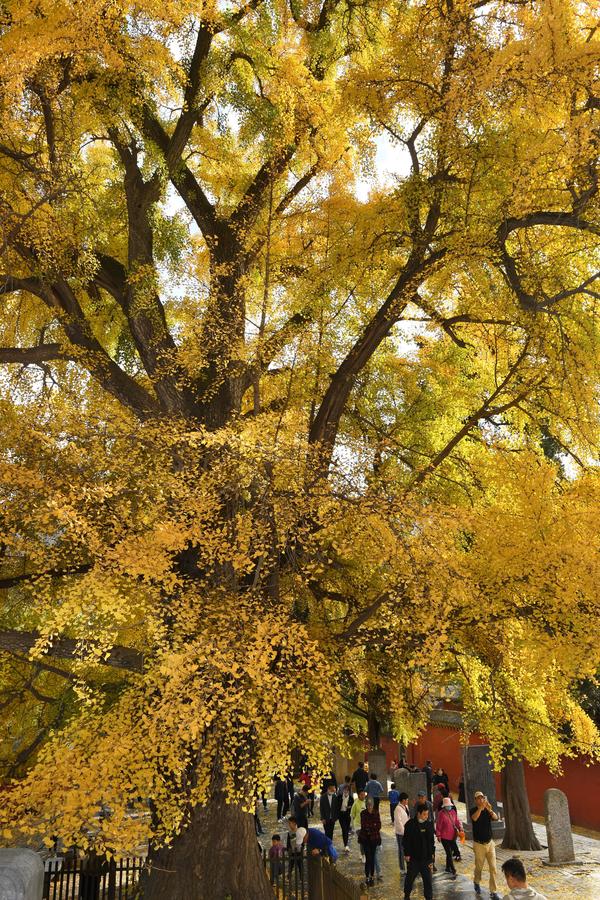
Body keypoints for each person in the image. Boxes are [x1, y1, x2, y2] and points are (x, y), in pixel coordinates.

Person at [471, 790, 501, 899]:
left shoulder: (487, 810)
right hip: (479, 844)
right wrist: (480, 808)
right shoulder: (474, 810)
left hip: (490, 843)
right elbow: (474, 818)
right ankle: (476, 881)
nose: (481, 799)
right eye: (478, 798)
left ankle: (493, 891)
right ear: (475, 800)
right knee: (479, 867)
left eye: (482, 797)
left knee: (493, 868)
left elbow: (496, 818)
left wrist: (489, 809)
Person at [402, 803, 435, 900]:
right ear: (418, 814)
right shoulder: (410, 824)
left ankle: (429, 897)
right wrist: (406, 853)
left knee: (428, 880)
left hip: (426, 859)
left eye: (427, 814)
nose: (426, 816)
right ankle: (407, 895)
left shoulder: (429, 824)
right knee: (410, 878)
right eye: (424, 814)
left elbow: (431, 841)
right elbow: (406, 841)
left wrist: (432, 853)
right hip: (414, 858)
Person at [435, 796, 462, 877]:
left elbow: (457, 821)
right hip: (444, 837)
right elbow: (438, 825)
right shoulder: (441, 814)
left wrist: (460, 828)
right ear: (444, 806)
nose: (448, 807)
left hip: (453, 836)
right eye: (447, 805)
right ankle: (453, 869)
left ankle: (447, 867)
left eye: (449, 805)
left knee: (449, 853)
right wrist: (438, 835)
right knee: (449, 853)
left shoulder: (453, 812)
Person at [359, 796, 381, 887]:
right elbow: (364, 825)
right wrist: (373, 826)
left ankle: (372, 875)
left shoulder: (376, 813)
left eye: (371, 805)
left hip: (374, 839)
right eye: (368, 805)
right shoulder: (363, 813)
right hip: (365, 839)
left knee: (372, 857)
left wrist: (372, 826)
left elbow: (379, 825)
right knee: (368, 857)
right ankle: (367, 875)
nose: (369, 807)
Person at [333, 780, 353, 852]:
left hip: (347, 816)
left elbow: (352, 807)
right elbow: (336, 807)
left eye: (347, 790)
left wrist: (350, 807)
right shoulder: (339, 797)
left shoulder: (351, 799)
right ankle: (346, 845)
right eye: (345, 790)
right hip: (341, 815)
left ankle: (346, 844)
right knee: (344, 829)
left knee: (346, 830)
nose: (346, 791)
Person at [393, 791, 410, 873]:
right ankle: (402, 868)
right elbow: (398, 822)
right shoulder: (397, 809)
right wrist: (404, 832)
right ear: (403, 800)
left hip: (407, 832)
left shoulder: (406, 806)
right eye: (407, 800)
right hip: (401, 833)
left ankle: (408, 865)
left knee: (407, 849)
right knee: (401, 850)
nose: (407, 801)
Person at [351, 788, 367, 861]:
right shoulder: (355, 803)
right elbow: (352, 815)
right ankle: (363, 855)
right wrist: (353, 826)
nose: (363, 796)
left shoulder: (366, 802)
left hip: (366, 825)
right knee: (362, 840)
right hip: (358, 825)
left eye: (364, 794)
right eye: (361, 795)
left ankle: (363, 853)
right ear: (358, 795)